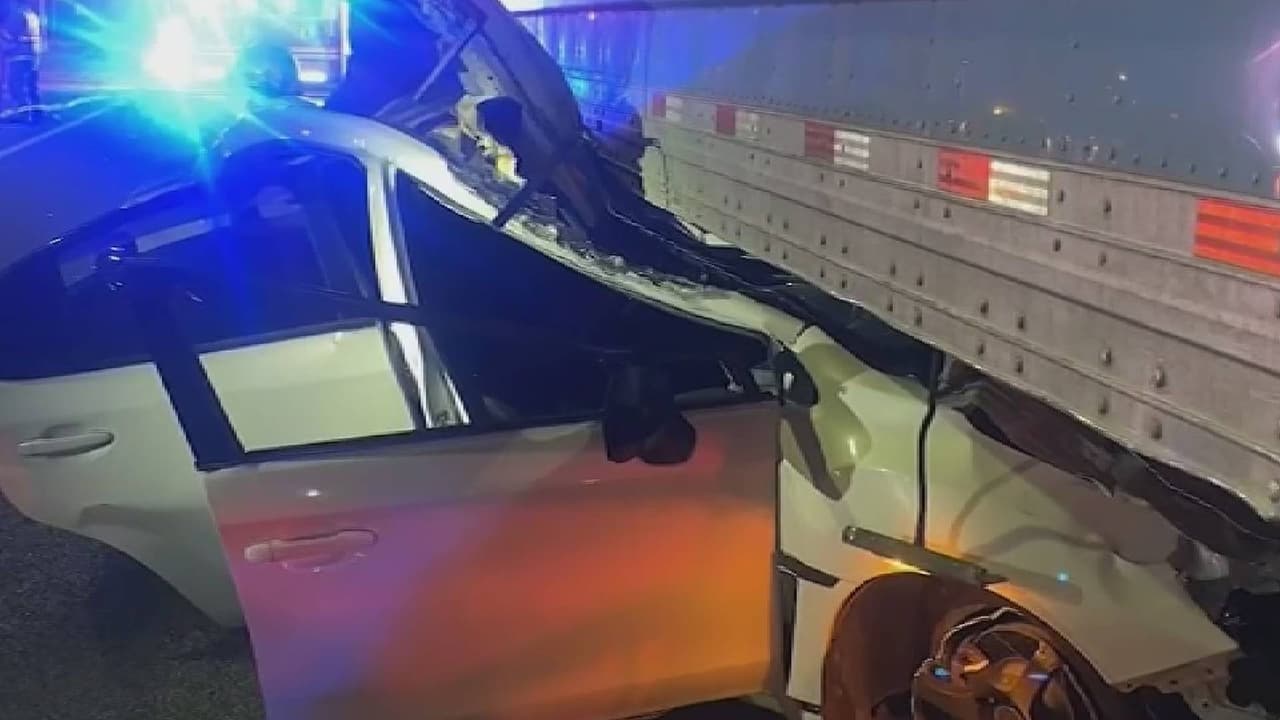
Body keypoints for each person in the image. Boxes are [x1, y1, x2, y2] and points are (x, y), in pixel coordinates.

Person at [1, 0, 43, 123]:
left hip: (19, 55)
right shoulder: (33, 16)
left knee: (15, 85)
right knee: (31, 85)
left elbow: (14, 36)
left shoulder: (18, 15)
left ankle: (23, 113)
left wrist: (4, 38)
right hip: (33, 54)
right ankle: (36, 112)